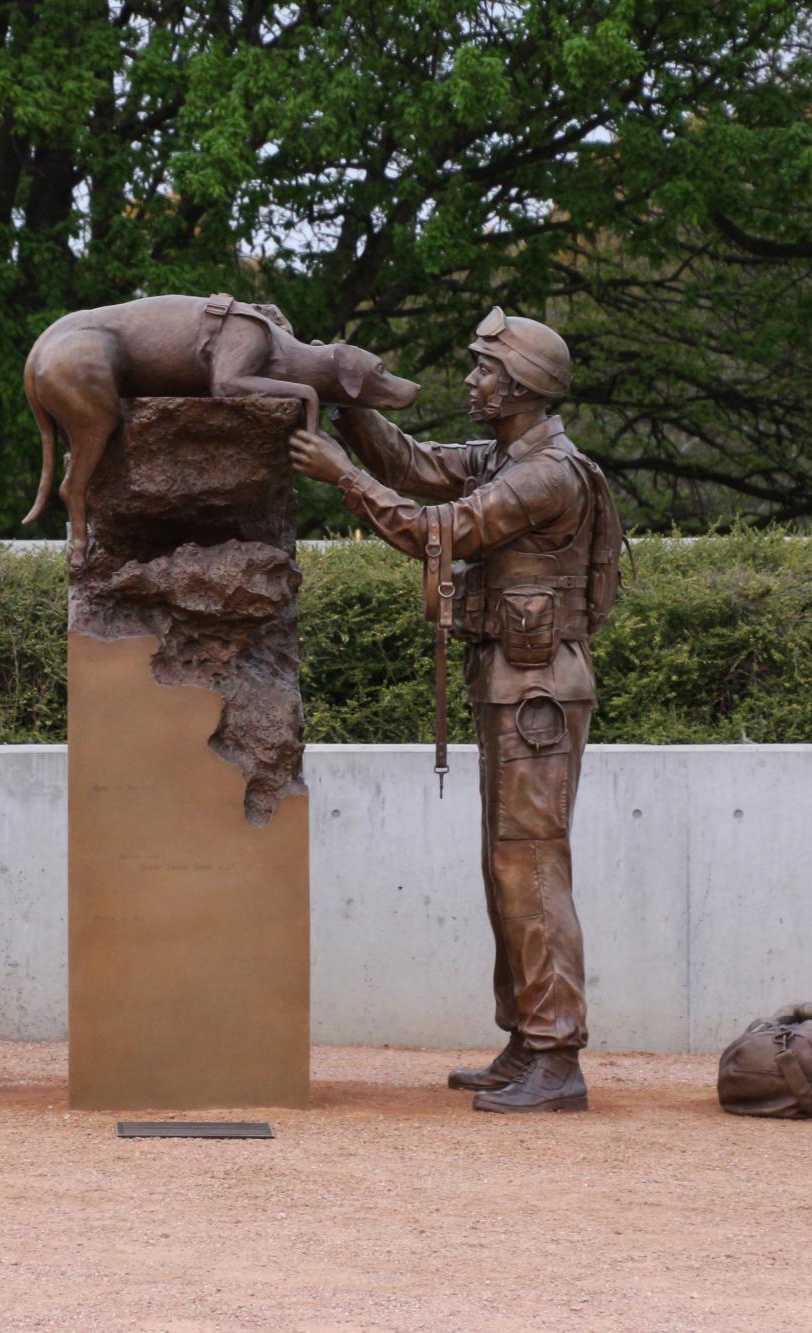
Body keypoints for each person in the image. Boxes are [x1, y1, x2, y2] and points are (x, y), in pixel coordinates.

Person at [289, 307, 622, 1113]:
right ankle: (527, 1039)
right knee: (506, 863)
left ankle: (557, 1054)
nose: (470, 381)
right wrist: (348, 401)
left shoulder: (544, 474)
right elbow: (416, 464)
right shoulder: (507, 456)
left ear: (521, 388)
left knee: (531, 866)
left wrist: (339, 475)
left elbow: (437, 529)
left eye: (483, 371)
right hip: (514, 685)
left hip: (537, 693)